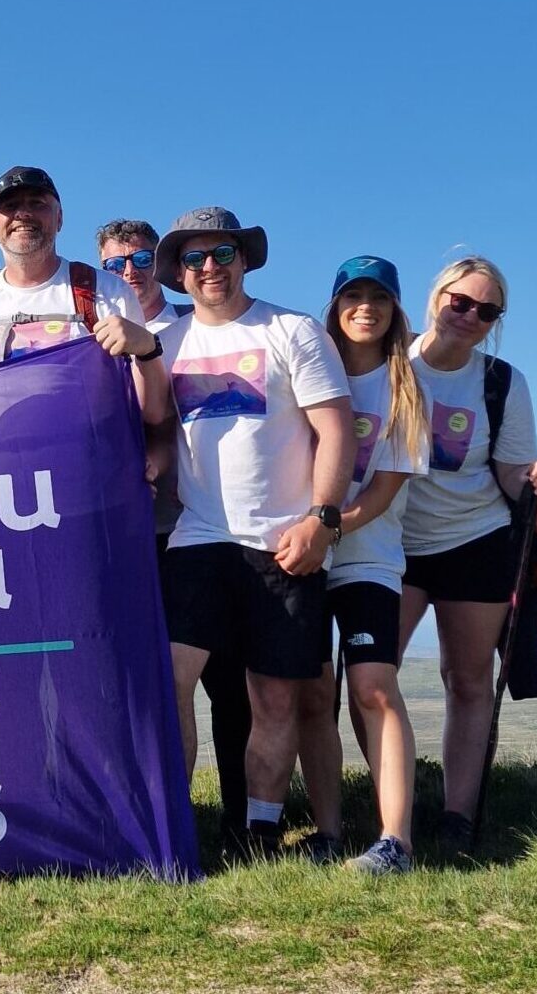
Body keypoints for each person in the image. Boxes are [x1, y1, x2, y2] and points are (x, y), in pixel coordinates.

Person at [151, 206, 352, 859]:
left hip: (282, 542)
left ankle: (259, 834)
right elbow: (153, 425)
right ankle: (175, 829)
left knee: (272, 698)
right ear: (179, 272)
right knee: (172, 680)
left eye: (223, 254)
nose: (210, 267)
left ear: (244, 258)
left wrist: (322, 519)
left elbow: (337, 429)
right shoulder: (170, 344)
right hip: (199, 539)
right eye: (195, 258)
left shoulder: (291, 330)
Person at [99, 216, 251, 851]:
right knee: (148, 681)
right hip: (118, 535)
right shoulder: (94, 332)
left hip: (191, 526)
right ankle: (161, 813)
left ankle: (243, 819)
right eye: (115, 264)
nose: (129, 271)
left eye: (138, 258)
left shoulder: (193, 328)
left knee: (226, 681)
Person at [399, 254, 537, 856]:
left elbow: (512, 472)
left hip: (478, 539)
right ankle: (396, 805)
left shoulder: (502, 382)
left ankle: (457, 817)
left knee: (468, 682)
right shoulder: (390, 362)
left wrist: (535, 477)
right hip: (394, 544)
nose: (470, 316)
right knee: (373, 676)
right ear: (435, 298)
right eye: (459, 302)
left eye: (486, 310)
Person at [292, 257, 427, 874]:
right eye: (353, 295)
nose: (365, 307)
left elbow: (381, 494)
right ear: (335, 306)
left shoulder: (404, 390)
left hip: (367, 559)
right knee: (316, 695)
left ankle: (395, 840)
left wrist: (324, 529)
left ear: (396, 310)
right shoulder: (307, 367)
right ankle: (327, 831)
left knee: (373, 687)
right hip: (302, 558)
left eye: (379, 297)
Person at [0, 166, 142, 376]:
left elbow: (146, 399)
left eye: (37, 203)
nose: (23, 213)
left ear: (59, 218)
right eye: (10, 205)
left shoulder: (111, 292)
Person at [97, 219, 188, 330]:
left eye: (142, 259)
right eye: (115, 264)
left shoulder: (197, 323)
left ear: (160, 262)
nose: (130, 271)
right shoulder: (93, 340)